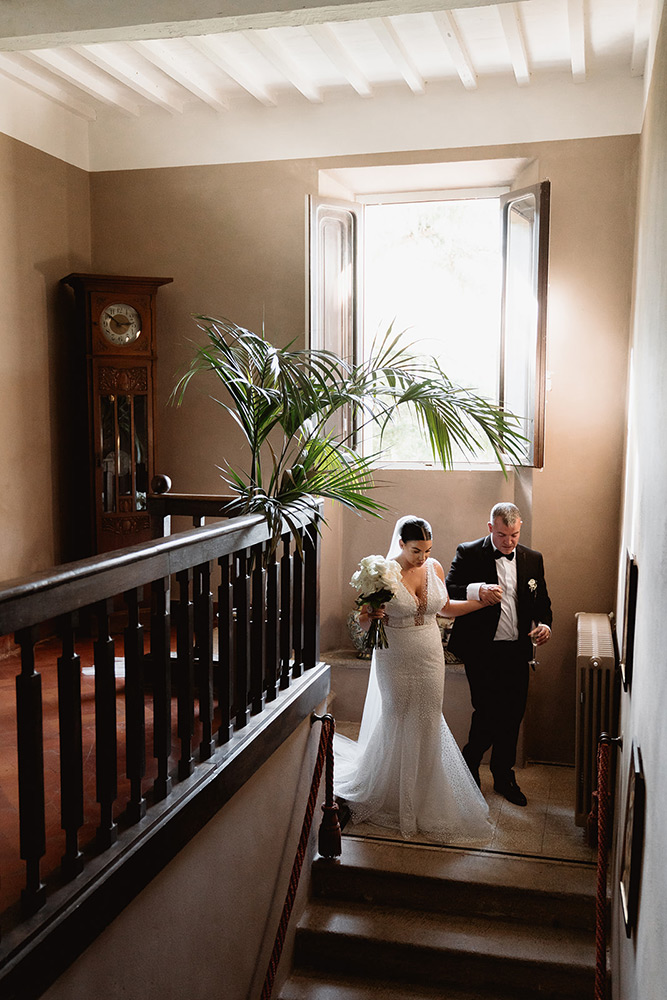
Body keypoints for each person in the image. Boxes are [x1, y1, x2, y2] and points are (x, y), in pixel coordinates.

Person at [334, 515, 492, 843]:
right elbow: (363, 622)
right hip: (396, 657)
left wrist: (479, 604)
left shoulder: (433, 568)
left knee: (428, 719)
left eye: (428, 550)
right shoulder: (383, 573)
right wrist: (372, 615)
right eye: (416, 550)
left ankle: (424, 796)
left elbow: (444, 608)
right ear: (402, 544)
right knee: (398, 716)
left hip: (430, 655)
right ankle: (393, 796)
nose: (422, 557)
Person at [445, 502, 552, 807]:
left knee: (513, 713)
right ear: (491, 528)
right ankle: (471, 762)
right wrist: (477, 590)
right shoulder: (469, 551)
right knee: (488, 711)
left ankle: (503, 775)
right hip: (482, 649)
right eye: (503, 535)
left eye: (515, 535)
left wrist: (544, 624)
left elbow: (542, 599)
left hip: (516, 649)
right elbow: (449, 588)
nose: (509, 542)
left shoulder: (533, 558)